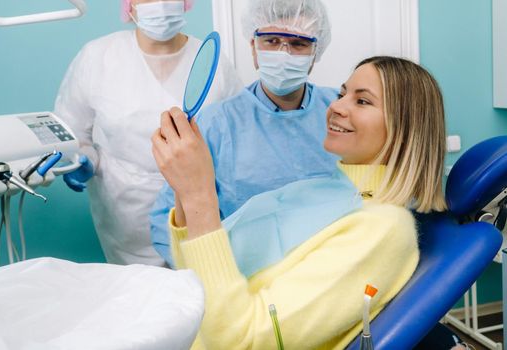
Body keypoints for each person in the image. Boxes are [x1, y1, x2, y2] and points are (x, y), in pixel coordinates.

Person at [150, 56, 448, 349]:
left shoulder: (384, 228)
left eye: (362, 101)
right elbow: (199, 266)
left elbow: (242, 339)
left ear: (406, 127)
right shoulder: (325, 190)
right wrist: (184, 185)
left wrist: (198, 194)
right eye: (343, 93)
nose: (335, 106)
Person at [150, 0, 338, 267]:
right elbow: (164, 220)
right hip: (248, 281)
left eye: (298, 44)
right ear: (253, 47)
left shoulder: (341, 112)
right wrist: (214, 275)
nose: (283, 53)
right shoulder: (216, 124)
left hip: (331, 268)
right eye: (271, 41)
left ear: (315, 51)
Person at [54, 0, 242, 265]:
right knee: (137, 298)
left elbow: (237, 140)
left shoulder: (212, 62)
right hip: (123, 215)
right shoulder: (98, 57)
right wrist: (83, 161)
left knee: (202, 292)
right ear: (128, 4)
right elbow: (73, 135)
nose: (161, 3)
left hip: (199, 209)